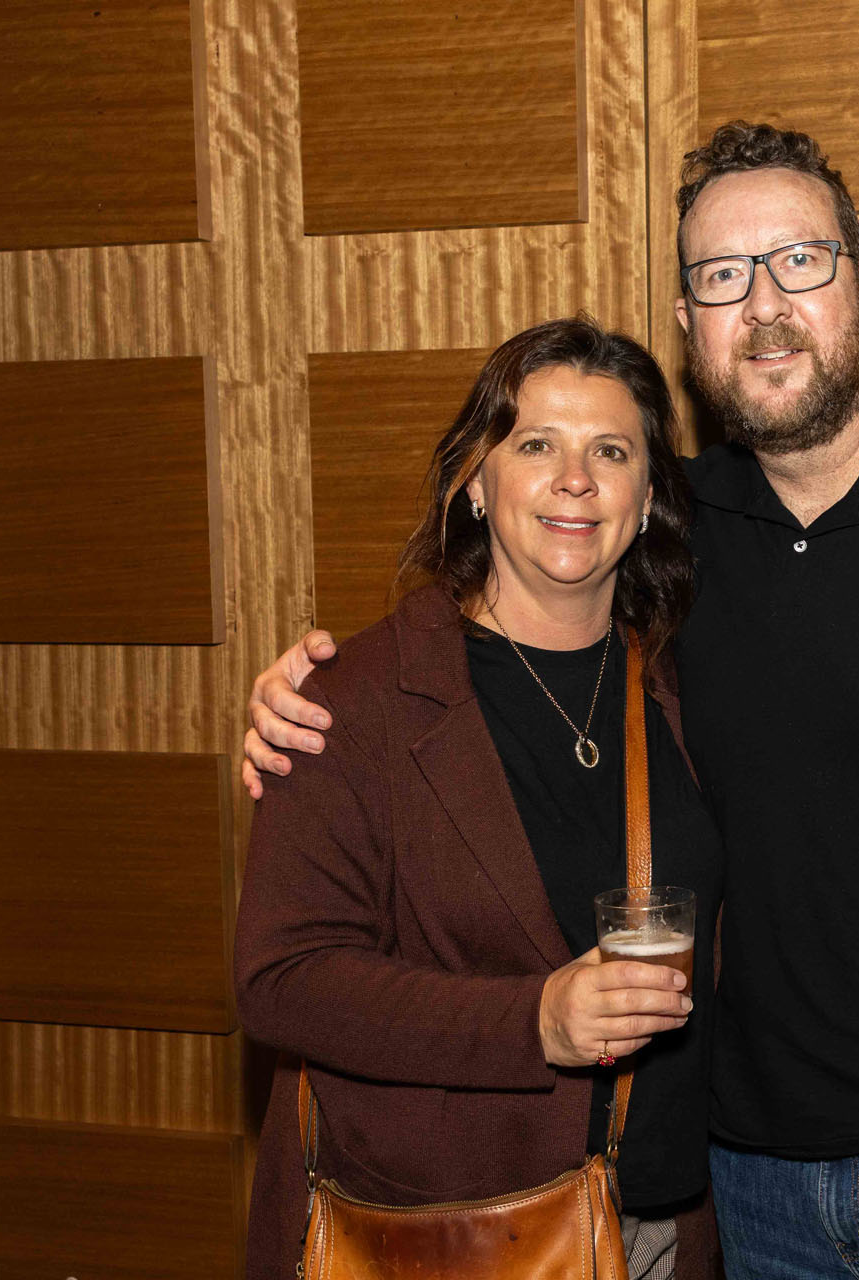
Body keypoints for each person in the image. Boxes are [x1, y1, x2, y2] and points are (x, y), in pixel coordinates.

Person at [245, 123, 859, 1280]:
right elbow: (499, 626)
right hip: (742, 1190)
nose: (762, 304)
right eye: (720, 276)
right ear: (687, 321)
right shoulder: (671, 534)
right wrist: (305, 692)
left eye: (798, 260)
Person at [234, 316, 723, 1280]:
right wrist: (531, 1020)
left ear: (648, 498)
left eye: (611, 451)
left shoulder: (682, 685)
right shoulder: (355, 702)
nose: (574, 479)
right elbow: (279, 981)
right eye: (535, 445)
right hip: (456, 1232)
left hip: (666, 1229)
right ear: (474, 482)